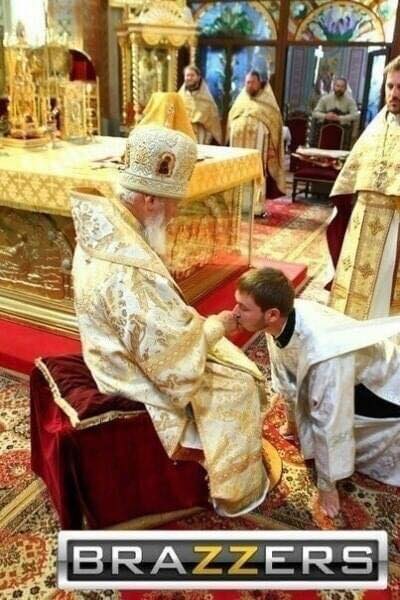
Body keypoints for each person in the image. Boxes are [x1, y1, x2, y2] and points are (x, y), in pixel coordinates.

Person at [70, 122, 282, 518]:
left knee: (229, 361)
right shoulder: (127, 267)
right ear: (150, 200)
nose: (176, 212)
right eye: (173, 202)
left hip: (119, 348)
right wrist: (216, 326)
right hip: (127, 372)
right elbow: (171, 362)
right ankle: (233, 492)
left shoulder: (109, 229)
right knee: (239, 384)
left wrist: (196, 323)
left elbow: (153, 320)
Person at [225, 266, 400, 519]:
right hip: (348, 373)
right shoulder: (282, 318)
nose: (234, 312)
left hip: (383, 389)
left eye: (243, 307)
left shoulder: (323, 355)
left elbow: (331, 423)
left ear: (272, 314)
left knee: (329, 420)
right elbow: (284, 367)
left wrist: (327, 486)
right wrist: (292, 423)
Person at [329, 56, 400, 319]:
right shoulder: (376, 126)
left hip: (394, 222)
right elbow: (352, 175)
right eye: (390, 86)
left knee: (384, 286)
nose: (393, 94)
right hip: (363, 217)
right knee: (353, 284)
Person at [227, 70, 285, 211]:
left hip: (258, 147)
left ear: (260, 83)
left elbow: (275, 124)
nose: (250, 85)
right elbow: (230, 119)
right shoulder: (240, 100)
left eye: (253, 82)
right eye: (247, 82)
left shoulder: (268, 103)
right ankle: (235, 205)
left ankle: (256, 207)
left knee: (255, 174)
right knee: (237, 173)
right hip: (238, 148)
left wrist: (271, 146)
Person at [178, 64, 222, 145]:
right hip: (183, 134)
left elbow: (213, 122)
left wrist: (207, 140)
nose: (189, 78)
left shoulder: (207, 99)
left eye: (192, 75)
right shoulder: (179, 97)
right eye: (187, 75)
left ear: (198, 77)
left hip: (200, 136)